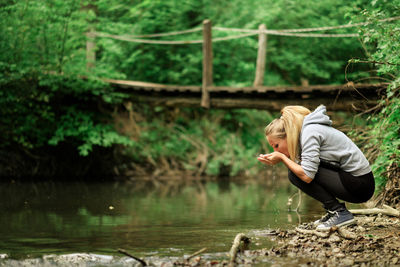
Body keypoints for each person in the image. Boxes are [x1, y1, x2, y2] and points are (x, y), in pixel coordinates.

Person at [257, 105, 375, 231]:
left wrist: (282, 157)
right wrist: (282, 157)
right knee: (295, 171)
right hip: (353, 181)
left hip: (361, 185)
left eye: (276, 145)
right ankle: (333, 211)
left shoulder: (310, 132)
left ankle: (339, 212)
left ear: (287, 135)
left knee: (295, 173)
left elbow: (307, 176)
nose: (275, 150)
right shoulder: (305, 133)